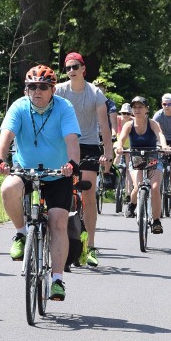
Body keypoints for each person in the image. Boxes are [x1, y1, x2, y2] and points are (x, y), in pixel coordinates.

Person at [0, 64, 80, 301]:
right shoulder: (19, 107)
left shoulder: (64, 107)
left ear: (53, 89)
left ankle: (57, 279)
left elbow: (72, 139)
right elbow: (5, 137)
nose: (37, 91)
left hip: (57, 173)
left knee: (58, 222)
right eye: (32, 87)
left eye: (43, 87)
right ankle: (21, 234)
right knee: (8, 188)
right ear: (26, 90)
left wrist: (72, 164)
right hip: (25, 170)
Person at [55, 52, 113, 267]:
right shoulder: (59, 90)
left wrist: (108, 151)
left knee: (88, 193)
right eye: (68, 67)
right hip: (64, 144)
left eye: (75, 66)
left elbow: (104, 125)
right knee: (60, 189)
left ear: (83, 69)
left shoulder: (95, 93)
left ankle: (91, 246)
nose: (71, 70)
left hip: (88, 144)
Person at [114, 96, 171, 232]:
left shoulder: (152, 123)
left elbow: (160, 135)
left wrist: (164, 146)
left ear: (146, 109)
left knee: (155, 187)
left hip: (152, 158)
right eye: (134, 107)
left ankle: (156, 221)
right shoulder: (129, 125)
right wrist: (119, 147)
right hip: (136, 160)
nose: (137, 109)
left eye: (140, 107)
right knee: (138, 186)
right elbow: (121, 139)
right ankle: (133, 204)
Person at [93, 78, 119, 189]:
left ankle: (107, 173)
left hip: (105, 132)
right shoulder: (89, 101)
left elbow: (113, 122)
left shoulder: (110, 103)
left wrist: (113, 134)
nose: (99, 90)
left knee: (108, 148)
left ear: (105, 89)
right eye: (97, 88)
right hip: (91, 132)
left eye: (101, 88)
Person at [115, 103, 134, 200]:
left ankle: (128, 191)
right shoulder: (117, 119)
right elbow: (113, 129)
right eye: (124, 113)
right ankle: (112, 175)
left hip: (129, 145)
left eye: (128, 113)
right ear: (121, 113)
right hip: (119, 144)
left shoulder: (133, 121)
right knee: (117, 157)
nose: (126, 115)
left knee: (129, 167)